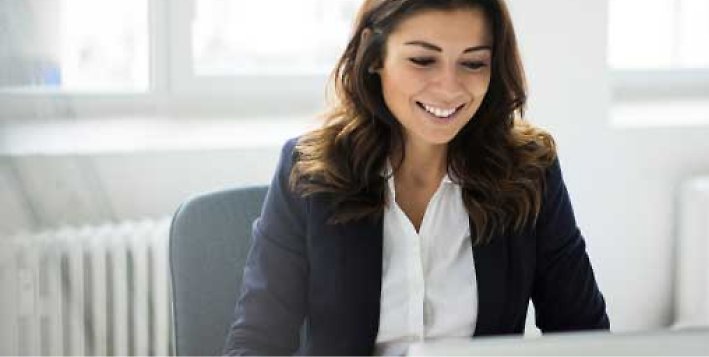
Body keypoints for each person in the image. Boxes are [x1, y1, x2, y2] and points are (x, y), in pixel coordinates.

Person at [223, 0, 609, 355]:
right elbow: (255, 344)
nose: (449, 87)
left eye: (473, 63)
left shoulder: (529, 172)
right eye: (423, 60)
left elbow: (585, 334)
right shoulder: (309, 170)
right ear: (374, 56)